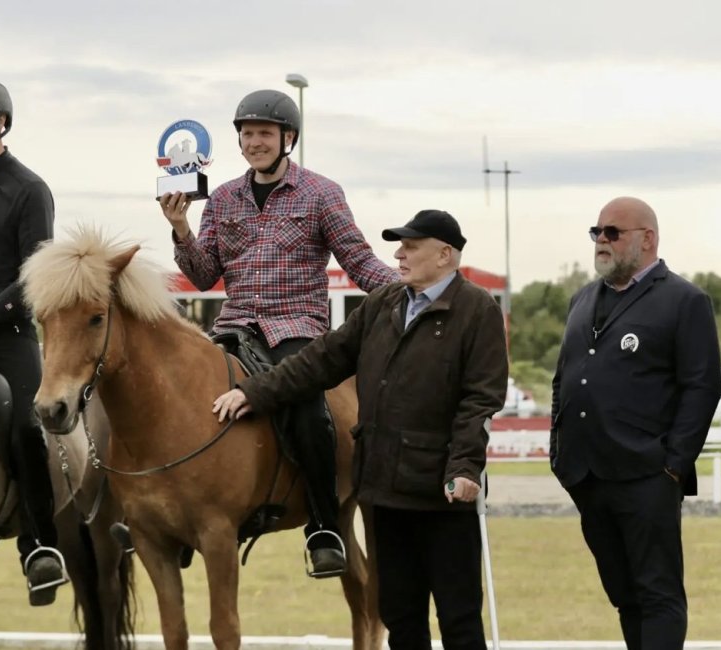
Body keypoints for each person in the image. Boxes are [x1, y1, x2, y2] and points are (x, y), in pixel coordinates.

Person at [213, 209, 508, 650]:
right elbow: (321, 360)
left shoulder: (477, 309)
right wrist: (256, 391)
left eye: (411, 246)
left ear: (445, 255)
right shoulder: (382, 304)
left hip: (443, 492)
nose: (399, 254)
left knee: (458, 618)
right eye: (399, 245)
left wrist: (465, 467)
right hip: (383, 491)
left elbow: (481, 399)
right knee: (401, 618)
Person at [157, 88, 397, 577]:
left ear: (288, 137)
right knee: (176, 394)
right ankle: (172, 517)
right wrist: (180, 226)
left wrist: (412, 290)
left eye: (264, 133)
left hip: (296, 326)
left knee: (306, 403)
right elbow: (204, 275)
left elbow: (358, 260)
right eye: (246, 135)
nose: (254, 142)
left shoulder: (322, 193)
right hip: (231, 325)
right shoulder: (222, 198)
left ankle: (323, 527)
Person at [550, 196, 721, 649]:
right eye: (597, 232)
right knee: (625, 596)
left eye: (613, 232)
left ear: (647, 239)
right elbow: (562, 379)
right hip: (588, 476)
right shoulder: (582, 299)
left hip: (647, 475)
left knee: (657, 593)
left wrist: (673, 466)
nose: (601, 241)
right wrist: (558, 452)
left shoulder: (684, 300)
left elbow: (701, 388)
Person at [0, 76, 66, 605]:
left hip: (4, 332)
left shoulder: (29, 189)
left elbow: (34, 278)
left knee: (27, 425)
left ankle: (38, 547)